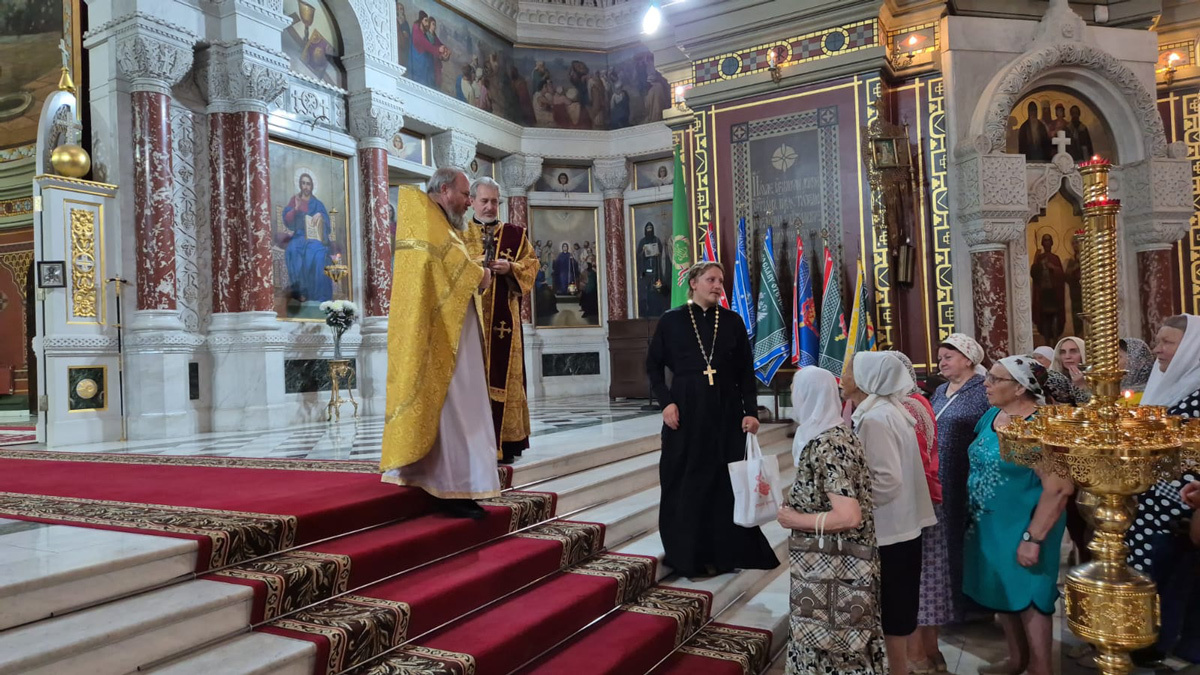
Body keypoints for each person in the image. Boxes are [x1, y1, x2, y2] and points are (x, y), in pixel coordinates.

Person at [646, 261, 780, 578]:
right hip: (686, 411)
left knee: (723, 483)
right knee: (685, 481)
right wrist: (666, 404)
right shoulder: (672, 320)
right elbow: (653, 367)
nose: (718, 285)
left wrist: (750, 411)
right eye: (711, 279)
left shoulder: (732, 322)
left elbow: (745, 372)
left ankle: (724, 555)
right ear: (693, 283)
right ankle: (687, 557)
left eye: (720, 280)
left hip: (726, 412)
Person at [381, 167, 501, 520]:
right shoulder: (429, 222)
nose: (468, 203)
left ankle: (449, 481)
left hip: (450, 332)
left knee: (457, 408)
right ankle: (453, 486)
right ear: (445, 190)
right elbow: (456, 268)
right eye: (465, 195)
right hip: (442, 338)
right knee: (456, 409)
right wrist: (483, 273)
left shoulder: (436, 221)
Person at [965, 356, 1071, 675]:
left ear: (1020, 388)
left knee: (1031, 596)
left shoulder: (1041, 426)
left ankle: (1041, 667)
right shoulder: (992, 415)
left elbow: (1059, 489)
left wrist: (1032, 538)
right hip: (991, 526)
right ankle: (1017, 660)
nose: (986, 384)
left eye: (996, 379)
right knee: (1005, 593)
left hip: (1026, 526)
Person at [778, 367, 887, 675]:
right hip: (827, 562)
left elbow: (848, 515)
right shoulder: (837, 433)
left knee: (835, 645)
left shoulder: (827, 445)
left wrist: (796, 519)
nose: (794, 397)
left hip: (835, 567)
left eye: (796, 391)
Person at [842, 352, 936, 675]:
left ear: (866, 379)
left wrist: (850, 504)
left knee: (892, 612)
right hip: (902, 527)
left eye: (850, 371)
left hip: (888, 531)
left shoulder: (876, 419)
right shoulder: (889, 410)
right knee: (897, 610)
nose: (843, 377)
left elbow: (886, 481)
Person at [1130, 315, 1200, 667]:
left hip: (1183, 510)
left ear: (1191, 349)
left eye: (1167, 342)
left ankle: (1167, 647)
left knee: (1177, 585)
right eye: (1157, 341)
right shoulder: (1166, 383)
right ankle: (1148, 642)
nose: (1157, 349)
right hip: (1150, 504)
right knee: (1153, 578)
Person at [462, 177, 539, 465]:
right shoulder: (459, 233)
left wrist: (511, 268)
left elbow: (532, 266)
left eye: (495, 201)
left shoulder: (515, 235)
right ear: (471, 201)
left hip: (506, 323)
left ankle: (506, 442)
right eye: (484, 201)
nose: (490, 206)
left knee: (505, 376)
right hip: (471, 322)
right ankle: (472, 443)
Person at [926, 335, 991, 656]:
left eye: (948, 356)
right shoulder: (940, 391)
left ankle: (972, 604)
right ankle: (949, 603)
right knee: (945, 538)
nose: (942, 362)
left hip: (967, 474)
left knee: (966, 538)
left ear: (968, 358)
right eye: (940, 357)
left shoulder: (982, 390)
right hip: (940, 475)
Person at [891, 353, 950, 675]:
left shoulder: (903, 407)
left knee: (915, 582)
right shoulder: (918, 400)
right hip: (928, 499)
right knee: (928, 580)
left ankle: (918, 656)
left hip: (914, 504)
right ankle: (930, 651)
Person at [281, 172, 333, 306]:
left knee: (318, 254)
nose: (305, 186)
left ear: (312, 186)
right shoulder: (295, 200)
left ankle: (318, 296)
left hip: (314, 237)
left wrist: (320, 215)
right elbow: (287, 221)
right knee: (292, 250)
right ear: (300, 185)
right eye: (303, 183)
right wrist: (296, 209)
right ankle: (300, 292)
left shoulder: (318, 203)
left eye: (308, 184)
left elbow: (327, 224)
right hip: (299, 236)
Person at [1030, 234, 1066, 344]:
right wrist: (1035, 259)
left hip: (1054, 294)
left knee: (1055, 320)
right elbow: (1034, 274)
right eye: (1045, 240)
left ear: (1052, 243)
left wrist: (1053, 268)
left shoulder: (1055, 258)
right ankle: (1047, 342)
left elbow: (1061, 275)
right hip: (1043, 294)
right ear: (1042, 243)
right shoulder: (1039, 258)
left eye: (1048, 240)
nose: (1047, 243)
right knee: (1045, 320)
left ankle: (1055, 341)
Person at [636, 222, 670, 317]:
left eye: (651, 228)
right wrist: (643, 252)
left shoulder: (656, 240)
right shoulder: (642, 241)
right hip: (646, 271)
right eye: (648, 228)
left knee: (657, 290)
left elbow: (662, 253)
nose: (649, 230)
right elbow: (638, 256)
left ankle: (658, 310)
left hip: (656, 270)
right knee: (646, 292)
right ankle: (647, 310)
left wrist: (658, 253)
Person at [1052, 336, 1090, 403]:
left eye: (1073, 351)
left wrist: (1080, 386)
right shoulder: (1053, 380)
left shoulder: (1094, 379)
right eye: (1063, 352)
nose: (1067, 356)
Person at [1119, 336, 1154, 403]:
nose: (1112, 363)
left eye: (1119, 357)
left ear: (1138, 362)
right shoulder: (1110, 392)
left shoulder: (1146, 397)